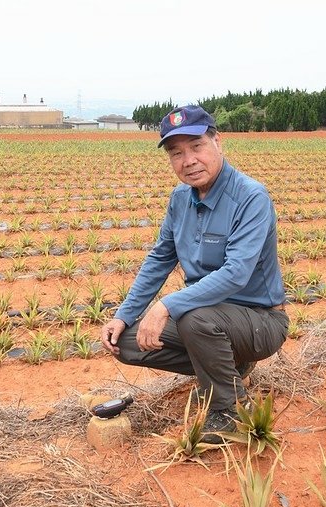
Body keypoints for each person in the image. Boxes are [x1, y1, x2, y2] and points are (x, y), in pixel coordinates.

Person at [100, 104, 289, 443]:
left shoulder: (250, 197)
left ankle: (229, 410)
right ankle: (227, 370)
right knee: (127, 344)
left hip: (259, 321)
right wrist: (124, 316)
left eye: (197, 146)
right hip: (208, 320)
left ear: (219, 142)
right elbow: (160, 259)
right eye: (177, 153)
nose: (188, 160)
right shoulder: (180, 199)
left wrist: (166, 305)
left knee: (194, 318)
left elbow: (235, 274)